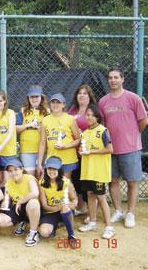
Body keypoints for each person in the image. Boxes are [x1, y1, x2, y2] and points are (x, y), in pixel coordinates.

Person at [98, 67, 148, 228]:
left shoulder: (133, 98)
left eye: (116, 77)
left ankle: (130, 213)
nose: (113, 80)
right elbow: (103, 125)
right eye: (110, 78)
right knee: (113, 181)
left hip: (131, 148)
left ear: (122, 79)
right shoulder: (103, 101)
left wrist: (132, 135)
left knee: (132, 182)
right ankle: (118, 210)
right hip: (110, 149)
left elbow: (143, 121)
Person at [78, 105, 115, 239]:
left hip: (99, 172)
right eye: (87, 115)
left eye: (91, 115)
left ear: (97, 117)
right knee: (90, 196)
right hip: (88, 171)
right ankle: (92, 221)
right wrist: (82, 152)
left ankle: (109, 227)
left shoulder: (103, 130)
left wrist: (91, 151)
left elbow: (110, 149)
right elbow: (84, 150)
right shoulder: (85, 132)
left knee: (101, 197)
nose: (88, 117)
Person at [0, 160, 41, 247]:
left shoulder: (29, 178)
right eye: (10, 171)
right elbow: (7, 199)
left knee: (33, 203)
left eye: (16, 169)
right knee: (0, 220)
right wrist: (4, 203)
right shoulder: (8, 183)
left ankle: (33, 233)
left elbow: (35, 193)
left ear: (22, 169)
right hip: (17, 209)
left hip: (31, 209)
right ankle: (22, 222)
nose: (13, 173)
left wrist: (21, 201)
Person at [68, 85, 98, 216]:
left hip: (88, 152)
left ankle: (93, 212)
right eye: (79, 93)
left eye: (85, 93)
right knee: (77, 181)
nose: (82, 95)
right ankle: (82, 207)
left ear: (89, 96)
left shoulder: (92, 111)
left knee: (89, 183)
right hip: (73, 152)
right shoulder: (72, 110)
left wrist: (83, 134)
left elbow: (97, 127)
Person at [38, 93, 80, 179]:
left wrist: (65, 146)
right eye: (53, 102)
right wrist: (39, 163)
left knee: (66, 184)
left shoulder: (70, 119)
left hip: (68, 158)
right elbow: (42, 143)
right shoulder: (45, 120)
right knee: (52, 184)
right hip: (52, 158)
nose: (55, 105)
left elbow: (78, 139)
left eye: (58, 102)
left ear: (63, 104)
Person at [38, 156, 78, 241]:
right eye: (49, 168)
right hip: (50, 211)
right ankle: (54, 226)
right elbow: (44, 205)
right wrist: (56, 208)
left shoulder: (66, 182)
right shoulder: (42, 183)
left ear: (59, 170)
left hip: (65, 210)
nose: (51, 171)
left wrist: (72, 205)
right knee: (44, 233)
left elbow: (74, 199)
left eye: (54, 169)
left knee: (64, 207)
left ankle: (71, 235)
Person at [16, 85, 49, 176]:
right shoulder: (23, 111)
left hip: (43, 150)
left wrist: (41, 130)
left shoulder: (47, 112)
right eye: (32, 97)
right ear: (28, 98)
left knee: (42, 177)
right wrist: (28, 125)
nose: (34, 99)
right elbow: (16, 128)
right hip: (27, 150)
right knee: (29, 178)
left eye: (37, 96)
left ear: (41, 97)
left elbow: (51, 131)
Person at [0, 89, 17, 187]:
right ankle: (1, 201)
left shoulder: (10, 113)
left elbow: (10, 134)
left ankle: (8, 201)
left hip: (8, 152)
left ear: (5, 101)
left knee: (7, 181)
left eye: (0, 101)